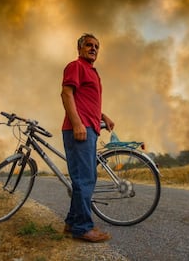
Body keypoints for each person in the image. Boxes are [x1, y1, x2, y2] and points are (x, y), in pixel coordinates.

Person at [61, 33, 115, 242]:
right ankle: (83, 228)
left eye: (96, 46)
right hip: (80, 130)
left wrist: (102, 115)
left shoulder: (92, 72)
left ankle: (71, 223)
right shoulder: (76, 66)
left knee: (82, 180)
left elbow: (86, 100)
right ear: (80, 48)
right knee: (85, 179)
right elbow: (66, 94)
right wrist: (77, 123)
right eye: (89, 45)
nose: (93, 48)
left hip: (88, 128)